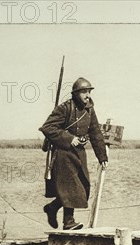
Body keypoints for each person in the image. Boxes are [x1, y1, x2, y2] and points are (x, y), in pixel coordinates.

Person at [40, 77, 108, 230]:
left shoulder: (89, 110)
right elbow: (47, 127)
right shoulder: (65, 108)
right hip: (63, 154)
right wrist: (70, 139)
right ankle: (68, 222)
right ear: (76, 93)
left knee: (82, 186)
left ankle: (52, 208)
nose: (87, 95)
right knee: (71, 187)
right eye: (84, 92)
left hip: (79, 154)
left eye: (89, 91)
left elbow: (95, 132)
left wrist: (102, 156)